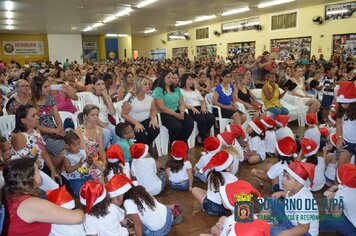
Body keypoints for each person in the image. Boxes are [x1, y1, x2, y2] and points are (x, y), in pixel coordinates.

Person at [3, 158, 84, 236]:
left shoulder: (11, 195)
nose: (40, 173)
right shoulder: (30, 204)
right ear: (31, 178)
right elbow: (78, 217)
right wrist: (80, 209)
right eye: (38, 170)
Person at [106, 174, 182, 236]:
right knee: (153, 207)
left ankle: (172, 219)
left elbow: (138, 224)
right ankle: (173, 210)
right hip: (167, 213)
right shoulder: (138, 189)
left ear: (119, 195)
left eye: (113, 200)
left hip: (160, 230)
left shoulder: (128, 202)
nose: (113, 202)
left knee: (144, 230)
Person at [10, 104, 60, 191]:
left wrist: (53, 169)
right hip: (28, 176)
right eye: (33, 116)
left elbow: (44, 154)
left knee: (61, 183)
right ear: (23, 120)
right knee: (55, 190)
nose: (38, 117)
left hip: (40, 168)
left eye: (37, 114)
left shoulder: (35, 130)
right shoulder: (19, 137)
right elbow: (23, 165)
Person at [266, 160, 319, 236]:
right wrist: (281, 193)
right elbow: (290, 196)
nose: (283, 179)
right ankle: (260, 223)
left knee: (275, 233)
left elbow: (304, 228)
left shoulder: (303, 201)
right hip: (291, 218)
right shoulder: (293, 188)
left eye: (287, 178)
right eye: (284, 175)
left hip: (305, 232)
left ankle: (274, 223)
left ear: (299, 183)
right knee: (270, 201)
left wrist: (283, 233)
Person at [29, 75, 66, 164]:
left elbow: (56, 116)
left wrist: (60, 127)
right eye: (45, 87)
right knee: (64, 151)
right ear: (37, 88)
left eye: (49, 86)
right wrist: (53, 130)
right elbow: (35, 126)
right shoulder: (31, 103)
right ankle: (56, 168)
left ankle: (59, 166)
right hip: (41, 135)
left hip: (55, 131)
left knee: (73, 142)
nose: (49, 88)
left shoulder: (50, 99)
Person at [153, 70, 194, 143]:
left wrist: (181, 112)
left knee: (189, 123)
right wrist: (176, 115)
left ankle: (181, 143)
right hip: (164, 113)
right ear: (163, 78)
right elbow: (161, 107)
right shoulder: (158, 90)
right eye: (168, 78)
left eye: (172, 78)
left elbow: (181, 103)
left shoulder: (176, 88)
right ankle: (174, 143)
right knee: (176, 127)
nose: (171, 79)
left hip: (177, 110)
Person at [192, 151, 237, 216]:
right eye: (232, 163)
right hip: (225, 209)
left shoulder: (210, 173)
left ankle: (205, 207)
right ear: (227, 167)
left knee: (194, 189)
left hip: (211, 206)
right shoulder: (233, 178)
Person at [121, 76, 160, 145]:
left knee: (155, 130)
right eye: (145, 84)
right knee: (140, 133)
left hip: (146, 120)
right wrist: (136, 123)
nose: (148, 86)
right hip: (132, 121)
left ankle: (144, 147)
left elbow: (153, 109)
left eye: (149, 84)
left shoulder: (150, 94)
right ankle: (141, 149)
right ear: (138, 85)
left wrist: (153, 119)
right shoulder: (131, 97)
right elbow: (124, 114)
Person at [319, 164, 356, 235]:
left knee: (331, 220)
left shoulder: (341, 193)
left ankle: (311, 229)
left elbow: (336, 216)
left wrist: (329, 201)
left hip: (353, 229)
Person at [82, 76, 118, 148]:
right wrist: (104, 126)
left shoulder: (105, 97)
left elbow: (113, 113)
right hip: (93, 124)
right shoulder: (88, 96)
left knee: (115, 130)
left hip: (105, 123)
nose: (101, 86)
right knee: (107, 133)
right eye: (98, 84)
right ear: (93, 85)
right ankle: (97, 153)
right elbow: (92, 116)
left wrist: (106, 97)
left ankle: (113, 154)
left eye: (103, 84)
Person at [180, 73, 215, 143]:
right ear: (184, 80)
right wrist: (191, 108)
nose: (192, 81)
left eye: (192, 79)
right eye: (189, 79)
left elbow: (202, 100)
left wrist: (203, 107)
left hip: (200, 107)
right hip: (190, 108)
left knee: (211, 118)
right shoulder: (180, 90)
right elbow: (181, 103)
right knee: (202, 120)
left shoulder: (195, 90)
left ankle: (200, 135)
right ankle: (203, 136)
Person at [75, 104, 106, 180]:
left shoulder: (99, 129)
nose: (96, 117)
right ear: (85, 116)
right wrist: (98, 164)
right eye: (92, 115)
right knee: (97, 173)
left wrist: (105, 163)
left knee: (108, 171)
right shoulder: (79, 131)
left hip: (96, 158)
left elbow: (101, 149)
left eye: (97, 115)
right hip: (84, 160)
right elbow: (85, 152)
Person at [61, 132, 92, 196]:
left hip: (87, 175)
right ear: (67, 146)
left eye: (78, 144)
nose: (77, 147)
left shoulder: (83, 151)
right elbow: (68, 170)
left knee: (93, 186)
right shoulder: (67, 157)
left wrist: (89, 161)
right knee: (80, 192)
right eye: (74, 146)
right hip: (75, 179)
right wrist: (79, 164)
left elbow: (88, 163)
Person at [335, 81, 356, 165]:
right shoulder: (342, 109)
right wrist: (339, 137)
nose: (343, 105)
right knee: (342, 166)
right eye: (341, 103)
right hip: (346, 142)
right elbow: (339, 123)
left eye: (346, 103)